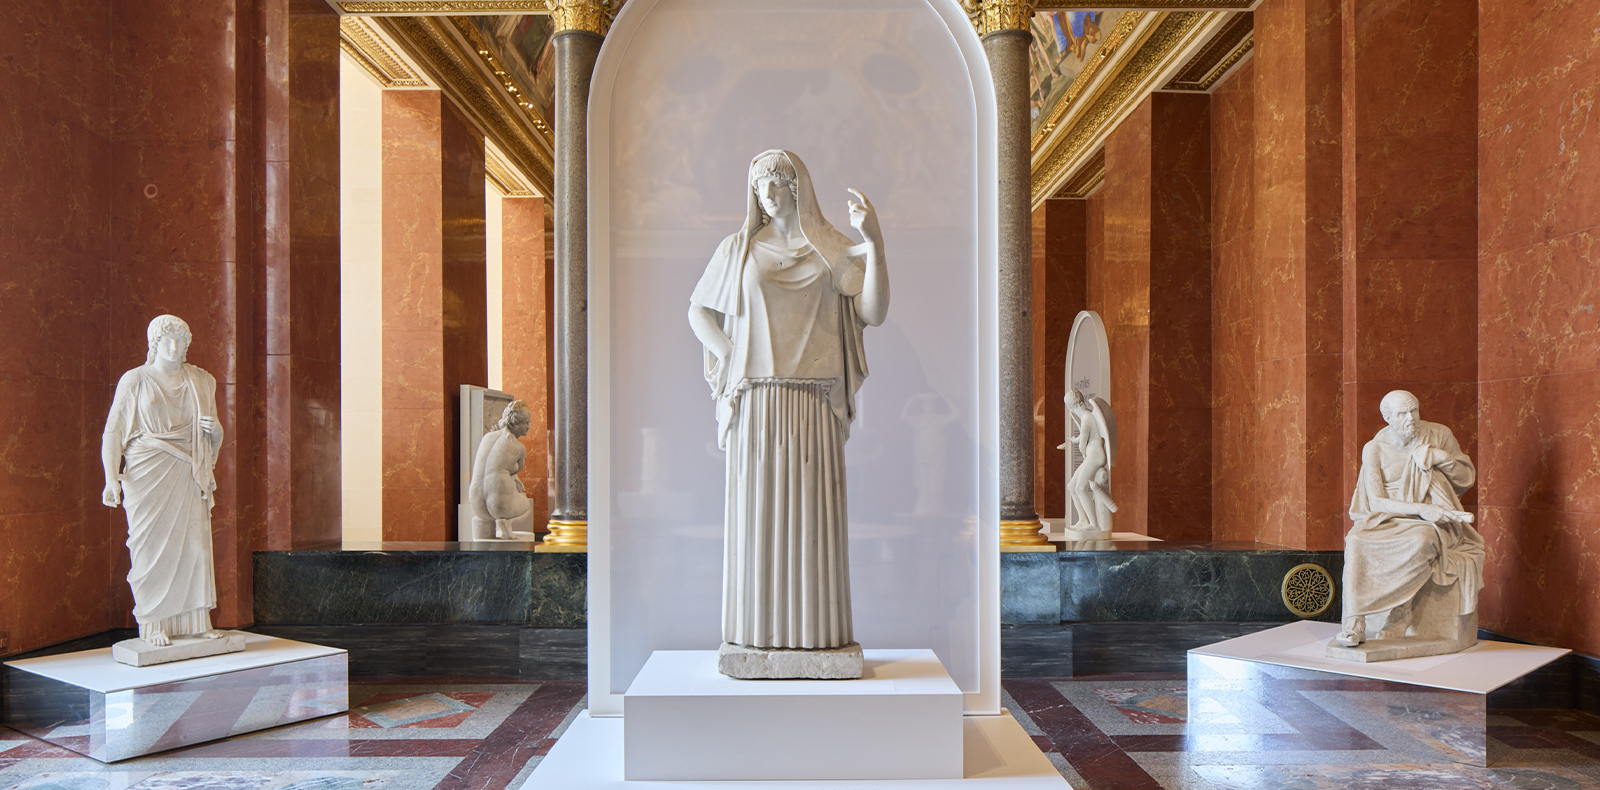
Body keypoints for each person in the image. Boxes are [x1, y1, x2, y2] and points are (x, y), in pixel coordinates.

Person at [688, 150, 887, 658]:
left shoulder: (830, 247)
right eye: (760, 186)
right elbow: (698, 311)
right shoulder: (738, 249)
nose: (768, 194)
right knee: (757, 522)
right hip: (756, 399)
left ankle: (817, 633)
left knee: (814, 523)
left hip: (815, 400)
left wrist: (875, 246)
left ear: (798, 187)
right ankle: (755, 633)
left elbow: (873, 311)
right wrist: (731, 353)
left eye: (777, 183)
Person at [101, 315, 225, 647]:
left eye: (181, 340)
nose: (174, 346)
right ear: (154, 344)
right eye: (167, 340)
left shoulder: (202, 381)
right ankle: (154, 621)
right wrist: (111, 478)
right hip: (147, 473)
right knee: (151, 549)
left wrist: (216, 433)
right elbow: (113, 431)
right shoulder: (135, 380)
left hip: (188, 471)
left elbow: (211, 434)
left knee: (195, 547)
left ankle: (196, 621)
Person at [1335, 390, 1484, 647]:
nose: (1411, 418)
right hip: (1388, 517)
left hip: (1429, 522)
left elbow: (1465, 479)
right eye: (1402, 414)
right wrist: (1420, 509)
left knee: (1421, 540)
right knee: (1357, 541)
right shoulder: (1374, 449)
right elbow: (1377, 502)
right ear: (1387, 417)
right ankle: (1355, 621)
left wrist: (1442, 458)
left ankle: (1400, 614)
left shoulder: (1438, 435)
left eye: (1414, 410)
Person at [467, 400, 534, 540]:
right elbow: (516, 469)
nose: (528, 427)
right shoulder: (519, 448)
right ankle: (506, 522)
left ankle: (484, 529)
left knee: (486, 517)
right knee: (527, 506)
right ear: (516, 423)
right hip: (498, 506)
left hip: (475, 502)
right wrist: (513, 476)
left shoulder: (487, 437)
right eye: (526, 423)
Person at [1063, 389, 1117, 534]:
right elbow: (1084, 437)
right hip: (1092, 456)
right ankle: (1083, 519)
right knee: (1071, 486)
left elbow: (1083, 443)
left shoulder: (1086, 418)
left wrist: (1081, 448)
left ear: (1071, 406)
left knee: (1080, 488)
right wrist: (1074, 440)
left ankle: (1093, 524)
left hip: (1096, 457)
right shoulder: (1087, 416)